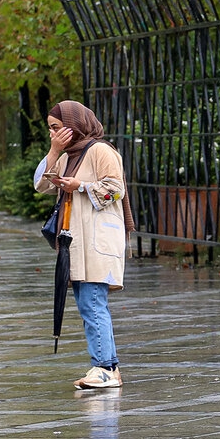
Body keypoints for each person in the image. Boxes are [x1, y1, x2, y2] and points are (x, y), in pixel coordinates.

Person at [34, 100, 135, 389]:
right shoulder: (67, 156)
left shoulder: (101, 151)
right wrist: (54, 151)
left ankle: (104, 367)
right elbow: (40, 185)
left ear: (74, 125)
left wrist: (79, 186)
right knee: (87, 303)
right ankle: (108, 366)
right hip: (76, 241)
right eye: (51, 130)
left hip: (98, 240)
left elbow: (116, 190)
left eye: (57, 128)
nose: (53, 134)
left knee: (92, 302)